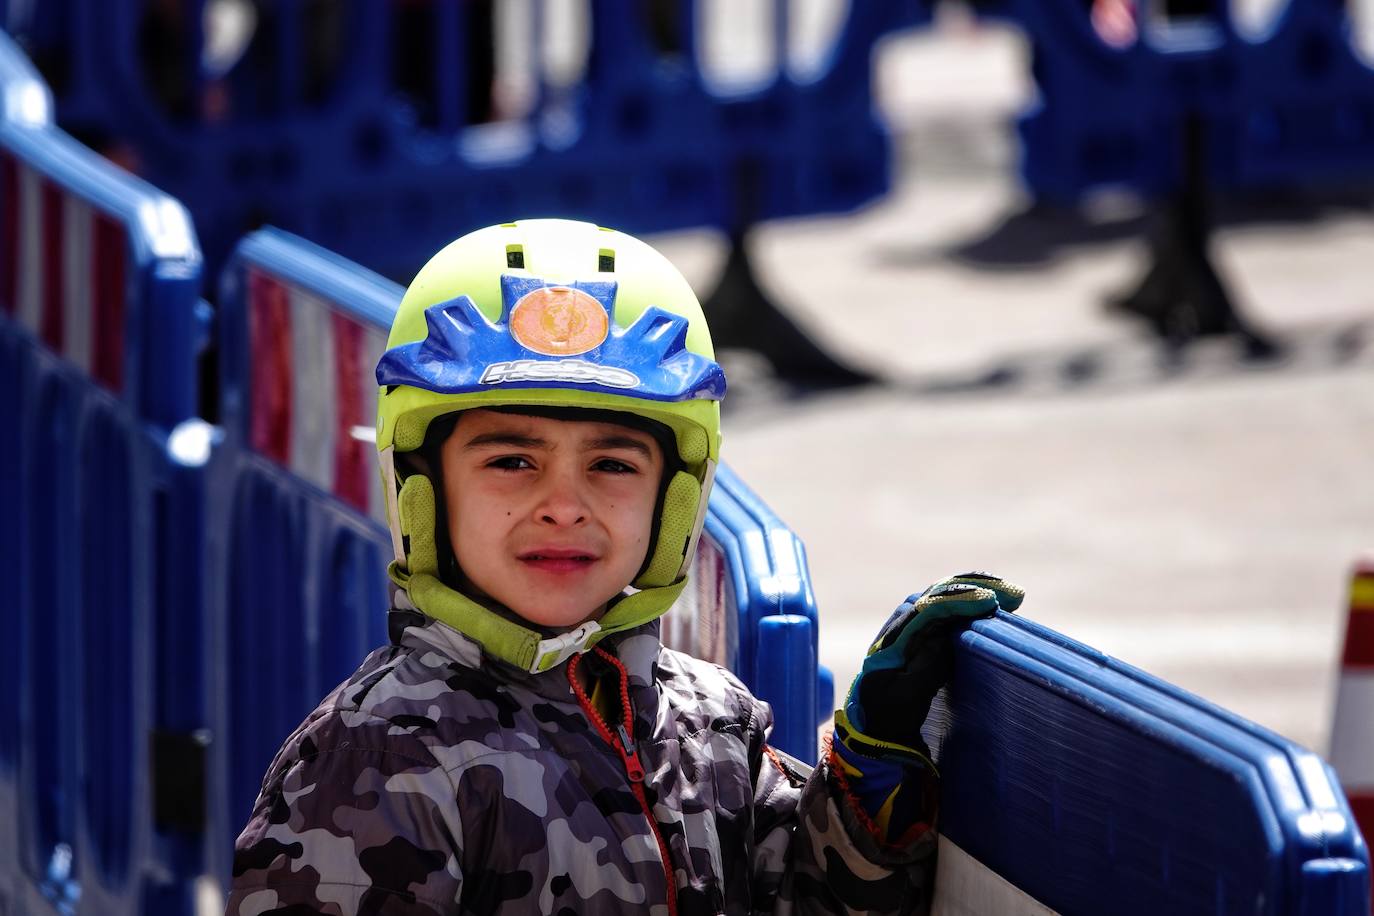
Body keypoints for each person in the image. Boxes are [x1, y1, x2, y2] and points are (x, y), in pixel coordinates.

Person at [226, 218, 1023, 915]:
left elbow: (816, 899)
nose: (564, 504)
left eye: (611, 465)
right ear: (424, 491)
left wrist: (871, 765)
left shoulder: (713, 725)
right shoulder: (376, 756)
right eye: (510, 461)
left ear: (674, 501)